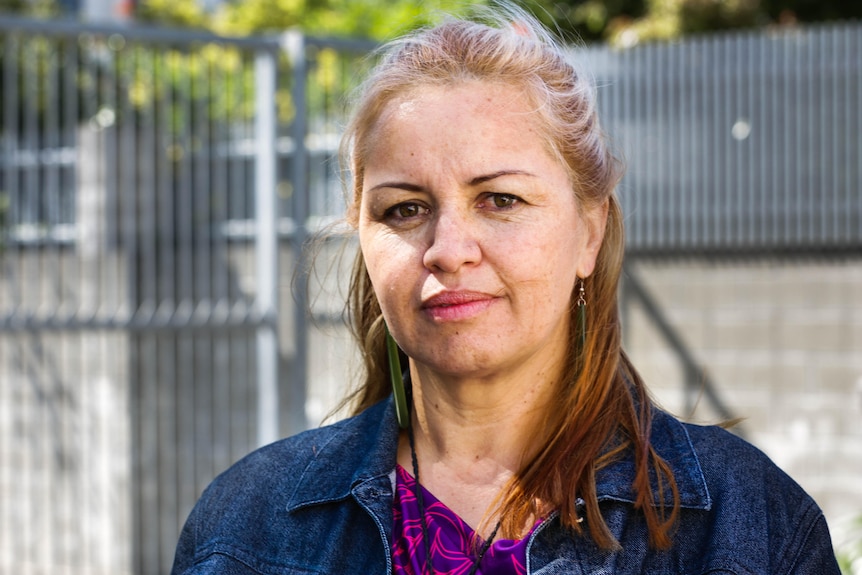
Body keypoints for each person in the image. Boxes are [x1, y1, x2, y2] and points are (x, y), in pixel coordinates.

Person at [171, 5, 841, 574]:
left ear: (588, 230)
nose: (448, 249)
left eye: (499, 199)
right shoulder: (248, 529)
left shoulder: (749, 526)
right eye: (404, 208)